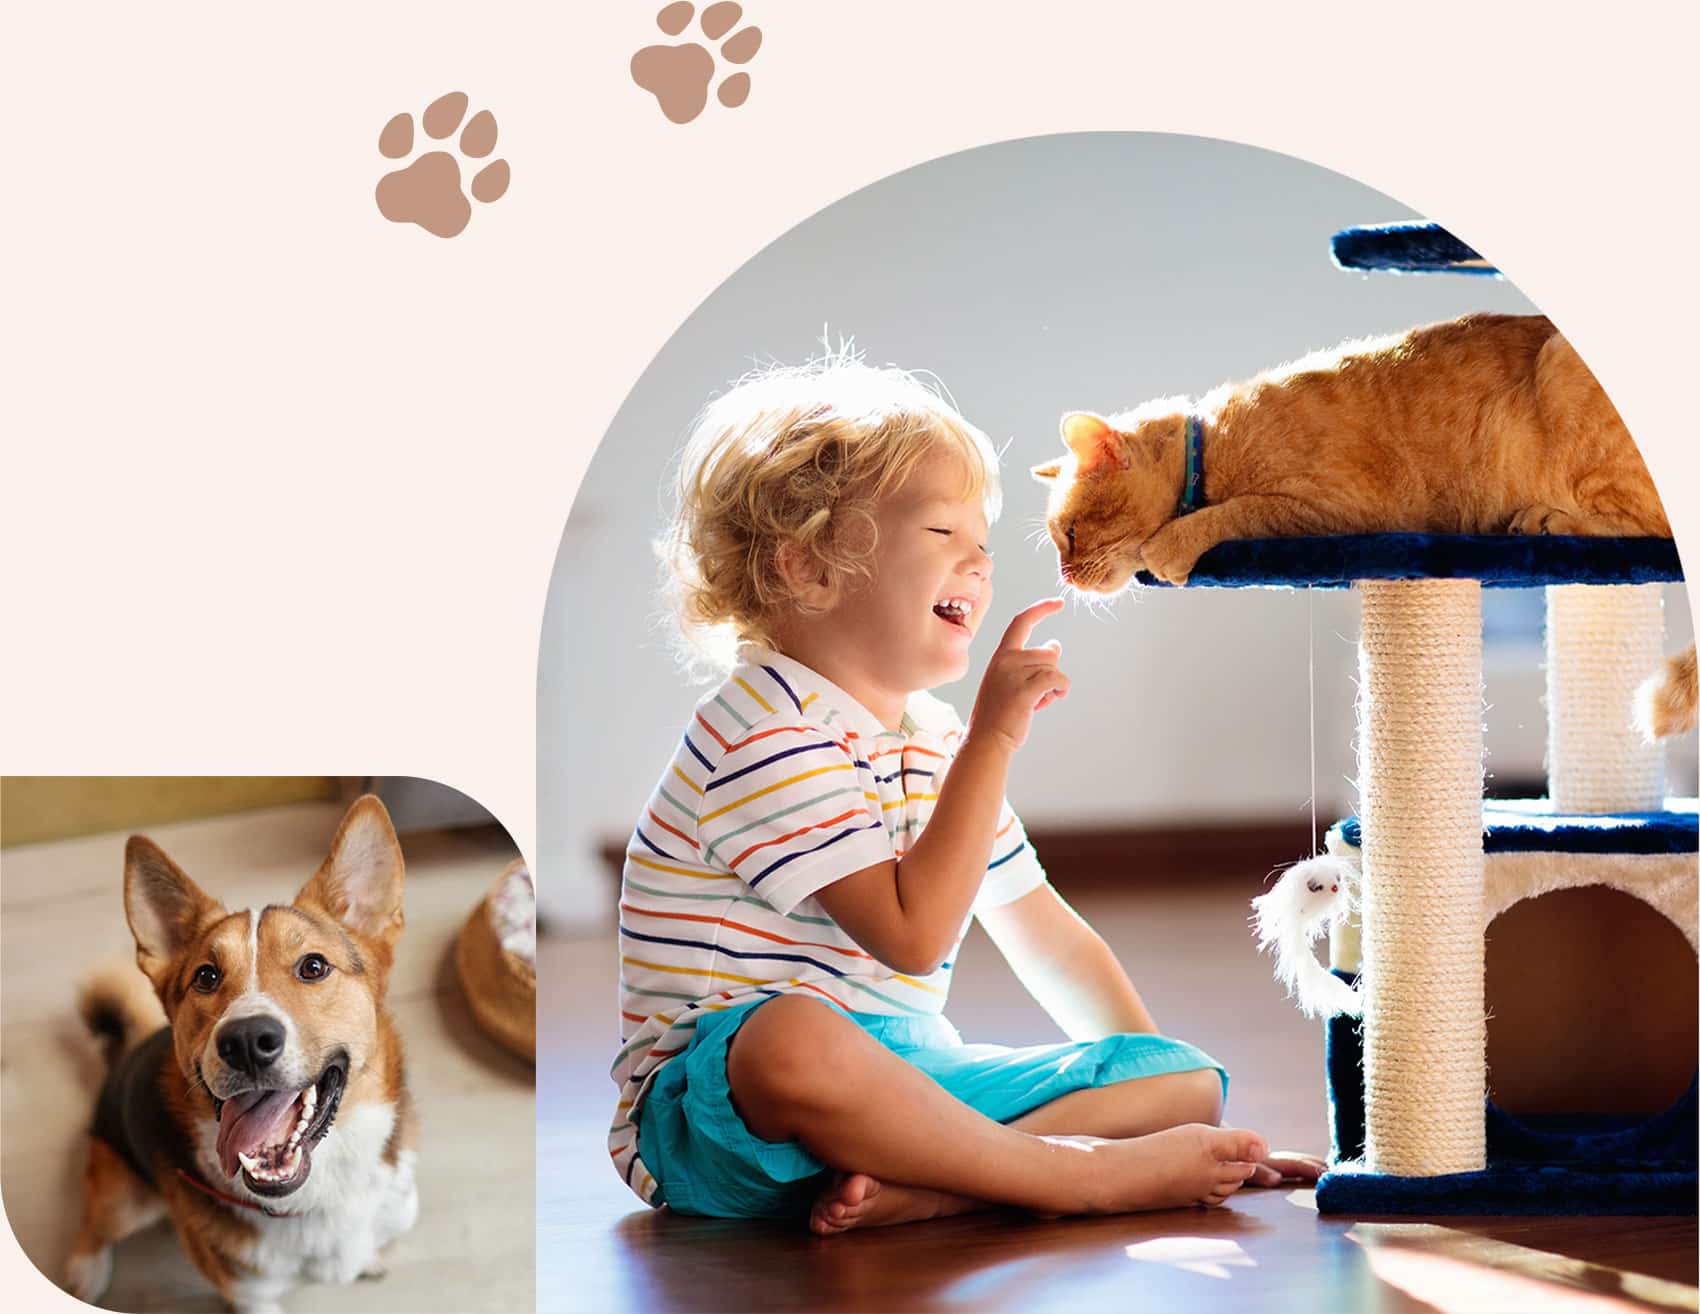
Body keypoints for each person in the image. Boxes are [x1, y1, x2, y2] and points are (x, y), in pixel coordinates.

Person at [608, 355, 1319, 1233]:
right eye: (944, 533)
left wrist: (1166, 1101)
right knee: (792, 1037)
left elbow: (1049, 939)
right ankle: (1065, 1178)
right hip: (716, 1115)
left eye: (983, 540)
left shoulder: (931, 736)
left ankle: (940, 1187)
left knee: (1185, 1079)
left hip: (906, 1087)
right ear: (808, 570)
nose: (981, 562)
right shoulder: (761, 730)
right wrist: (994, 739)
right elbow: (910, 937)